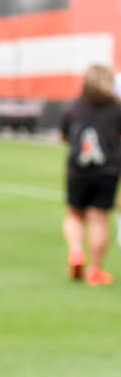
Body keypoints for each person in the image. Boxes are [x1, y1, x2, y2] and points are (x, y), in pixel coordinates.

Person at [59, 64, 121, 285]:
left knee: (74, 214)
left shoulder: (74, 107)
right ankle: (95, 270)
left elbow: (64, 137)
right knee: (99, 220)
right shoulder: (117, 109)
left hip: (78, 171)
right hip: (108, 171)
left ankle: (76, 251)